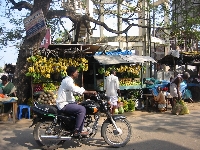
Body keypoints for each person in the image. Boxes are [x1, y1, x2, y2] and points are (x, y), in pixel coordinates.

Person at [56, 66, 96, 137]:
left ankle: (80, 126)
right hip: (63, 104)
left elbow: (72, 91)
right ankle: (77, 130)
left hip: (67, 102)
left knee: (83, 105)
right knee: (82, 109)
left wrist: (77, 101)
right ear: (72, 73)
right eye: (76, 72)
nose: (78, 73)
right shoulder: (68, 81)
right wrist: (88, 92)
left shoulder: (68, 80)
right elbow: (74, 89)